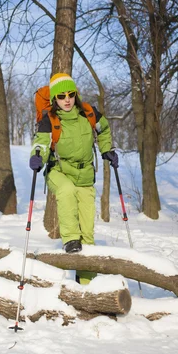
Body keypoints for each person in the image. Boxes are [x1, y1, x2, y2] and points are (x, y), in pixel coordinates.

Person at [29, 73, 118, 285]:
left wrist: (107, 150)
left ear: (75, 95)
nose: (66, 99)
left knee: (87, 234)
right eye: (61, 96)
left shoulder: (88, 113)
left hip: (85, 174)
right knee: (66, 190)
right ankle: (69, 239)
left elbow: (104, 129)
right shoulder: (49, 119)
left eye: (70, 94)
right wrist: (37, 156)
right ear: (54, 99)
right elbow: (41, 142)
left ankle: (86, 286)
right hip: (58, 171)